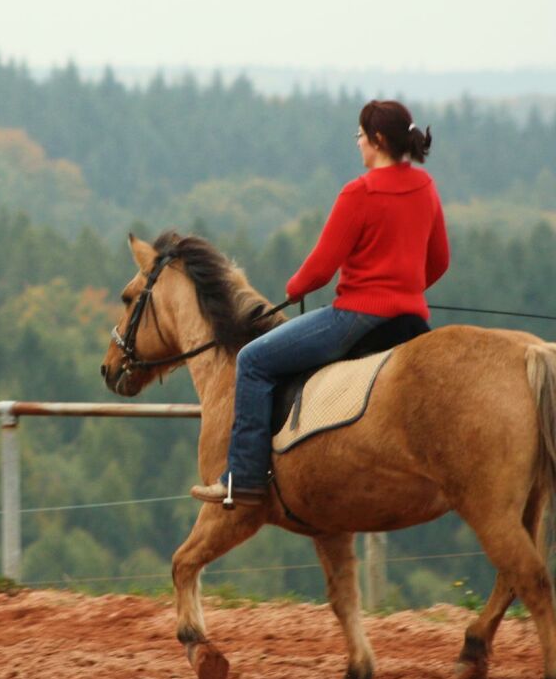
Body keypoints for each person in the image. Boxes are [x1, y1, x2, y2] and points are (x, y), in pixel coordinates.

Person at [191, 99, 449, 506]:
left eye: (361, 135)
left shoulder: (359, 192)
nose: (358, 143)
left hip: (357, 317)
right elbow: (439, 261)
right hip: (411, 318)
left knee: (253, 362)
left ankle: (242, 478)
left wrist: (294, 287)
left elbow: (320, 270)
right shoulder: (425, 187)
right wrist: (407, 288)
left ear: (378, 140)